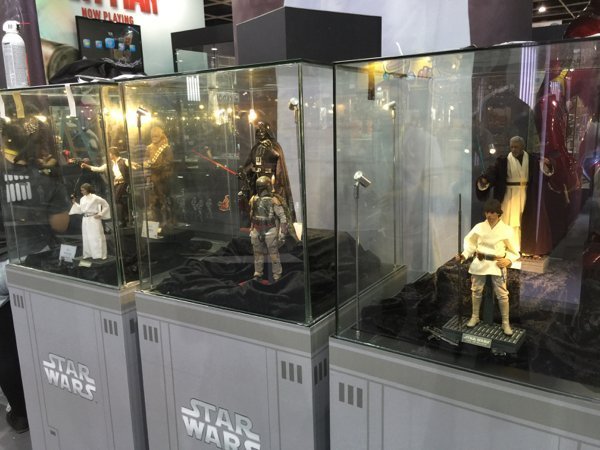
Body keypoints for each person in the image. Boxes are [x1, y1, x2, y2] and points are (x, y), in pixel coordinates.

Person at [0, 118, 71, 434]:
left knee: (6, 344)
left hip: (2, 269)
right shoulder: (44, 177)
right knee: (43, 338)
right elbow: (60, 225)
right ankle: (53, 404)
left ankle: (21, 413)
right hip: (34, 263)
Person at [476, 135, 554, 255]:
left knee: (525, 221)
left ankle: (526, 248)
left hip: (527, 194)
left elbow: (545, 171)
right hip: (509, 195)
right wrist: (485, 179)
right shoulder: (503, 161)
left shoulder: (533, 159)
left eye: (516, 147)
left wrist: (547, 164)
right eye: (511, 147)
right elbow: (492, 172)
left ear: (522, 146)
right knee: (509, 221)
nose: (513, 149)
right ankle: (509, 247)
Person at [456, 199, 520, 335]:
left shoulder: (506, 230)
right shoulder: (479, 227)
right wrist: (464, 255)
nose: (489, 215)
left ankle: (505, 322)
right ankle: (475, 316)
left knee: (502, 294)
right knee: (476, 290)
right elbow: (470, 244)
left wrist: (508, 259)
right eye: (487, 212)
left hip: (497, 263)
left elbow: (514, 250)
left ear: (498, 213)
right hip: (480, 262)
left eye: (492, 212)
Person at [240, 121, 296, 223]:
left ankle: (276, 224)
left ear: (268, 132)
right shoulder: (255, 148)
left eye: (263, 130)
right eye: (258, 131)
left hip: (272, 180)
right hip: (257, 180)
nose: (260, 133)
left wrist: (270, 149)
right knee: (257, 204)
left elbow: (277, 158)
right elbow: (250, 163)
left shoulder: (274, 146)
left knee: (274, 206)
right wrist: (244, 172)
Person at [81, 146, 135, 227]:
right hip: (117, 184)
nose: (108, 156)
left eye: (109, 154)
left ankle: (126, 217)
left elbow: (131, 164)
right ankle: (126, 217)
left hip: (124, 184)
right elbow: (99, 169)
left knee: (117, 200)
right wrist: (87, 166)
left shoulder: (124, 161)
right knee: (119, 201)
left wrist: (134, 165)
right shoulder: (110, 164)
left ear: (113, 154)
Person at [249, 176, 288, 282]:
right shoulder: (253, 199)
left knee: (273, 254)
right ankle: (258, 273)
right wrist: (251, 228)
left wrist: (283, 232)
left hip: (270, 229)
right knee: (257, 253)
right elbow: (252, 215)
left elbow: (282, 217)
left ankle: (277, 274)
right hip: (257, 229)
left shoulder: (274, 200)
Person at [69, 183, 111, 260]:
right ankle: (89, 254)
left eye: (83, 190)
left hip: (94, 219)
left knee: (96, 237)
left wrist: (100, 214)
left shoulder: (95, 198)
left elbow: (106, 205)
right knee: (86, 237)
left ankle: (99, 254)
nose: (81, 192)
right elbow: (82, 210)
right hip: (85, 220)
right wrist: (74, 203)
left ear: (87, 190)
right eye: (81, 190)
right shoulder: (82, 199)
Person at [144, 125, 174, 227]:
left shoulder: (166, 148)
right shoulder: (149, 148)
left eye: (156, 136)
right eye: (153, 136)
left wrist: (157, 168)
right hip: (152, 178)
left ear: (160, 136)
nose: (154, 138)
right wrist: (147, 164)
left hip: (163, 178)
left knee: (164, 200)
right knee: (153, 202)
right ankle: (155, 223)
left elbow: (168, 162)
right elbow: (146, 159)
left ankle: (167, 222)